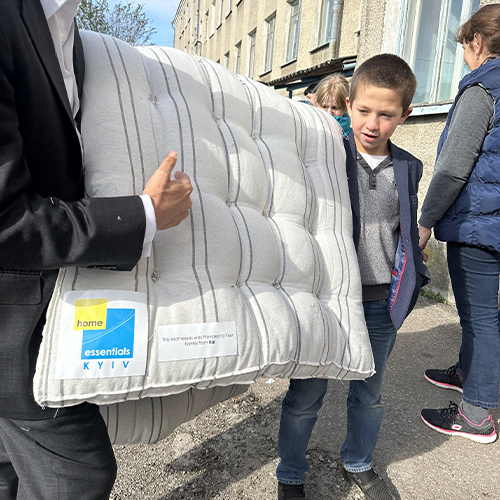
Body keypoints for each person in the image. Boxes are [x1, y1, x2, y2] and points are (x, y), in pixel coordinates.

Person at [0, 1, 193, 498]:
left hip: (50, 301)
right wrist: (145, 214)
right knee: (79, 475)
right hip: (15, 328)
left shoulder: (67, 29)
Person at [276, 54, 429, 500]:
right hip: (328, 299)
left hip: (381, 301)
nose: (372, 123)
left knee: (369, 393)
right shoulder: (326, 159)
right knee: (306, 395)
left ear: (405, 114)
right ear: (349, 104)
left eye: (386, 114)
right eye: (363, 110)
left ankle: (358, 462)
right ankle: (290, 472)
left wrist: (412, 276)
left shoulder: (409, 168)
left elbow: (404, 228)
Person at [419, 4, 500, 445]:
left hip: (479, 224)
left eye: (465, 47)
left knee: (480, 317)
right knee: (484, 318)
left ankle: (477, 414)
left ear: (478, 42)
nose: (464, 57)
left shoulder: (482, 88)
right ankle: (468, 373)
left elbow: (452, 167)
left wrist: (426, 220)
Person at [314, 74, 352, 138]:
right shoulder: (310, 131)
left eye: (335, 108)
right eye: (324, 106)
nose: (329, 113)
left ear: (345, 107)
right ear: (317, 104)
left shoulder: (353, 139)